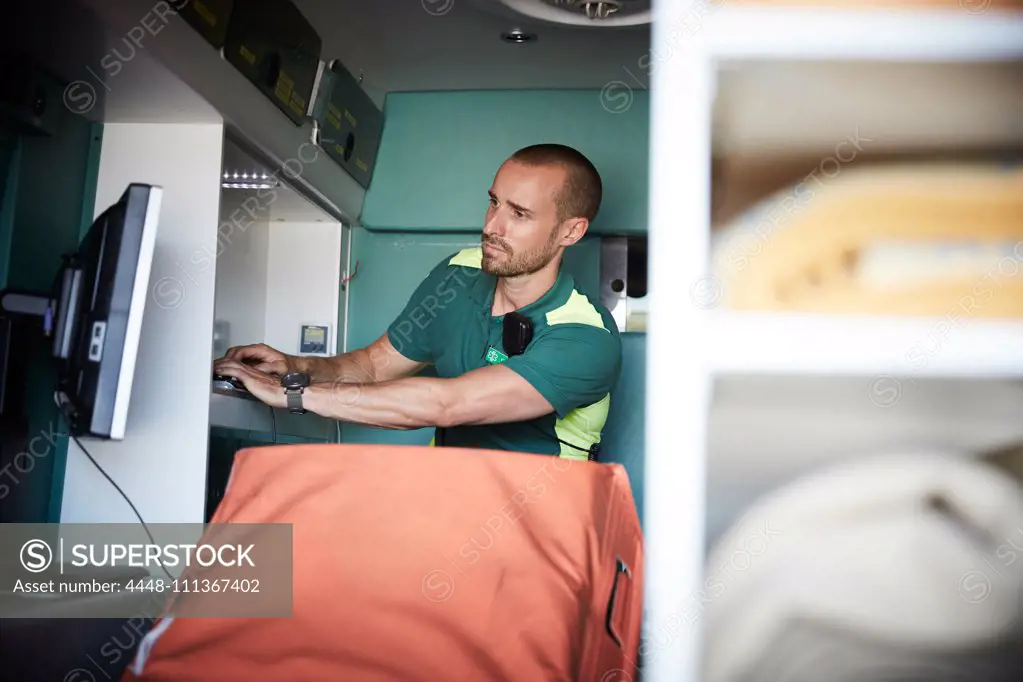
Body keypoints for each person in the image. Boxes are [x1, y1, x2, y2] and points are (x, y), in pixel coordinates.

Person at [213, 143, 622, 459]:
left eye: (519, 214)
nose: (491, 226)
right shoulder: (459, 274)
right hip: (443, 509)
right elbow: (372, 365)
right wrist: (296, 368)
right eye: (494, 201)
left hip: (541, 531)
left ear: (571, 232)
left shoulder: (586, 335)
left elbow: (449, 404)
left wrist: (294, 395)